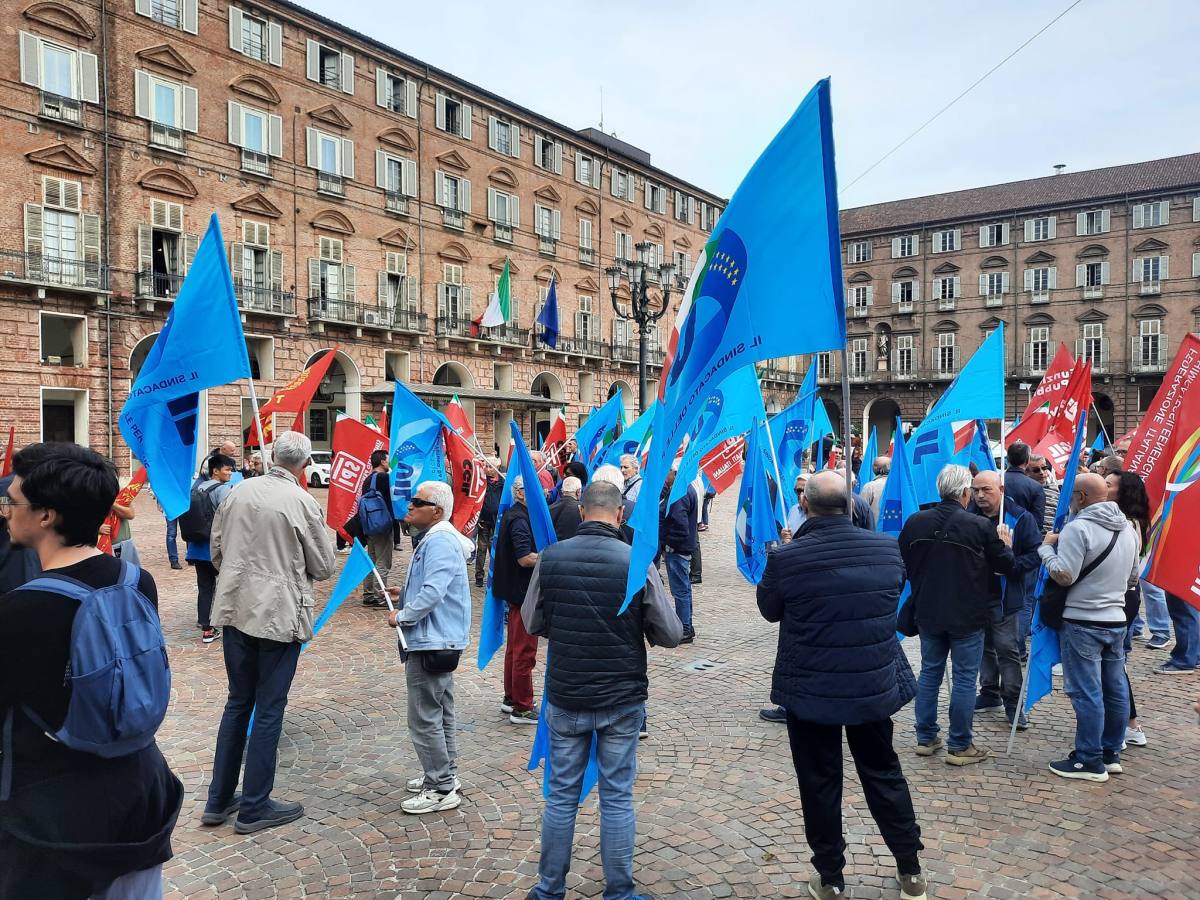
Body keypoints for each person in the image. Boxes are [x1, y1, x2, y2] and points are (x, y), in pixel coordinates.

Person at [0, 443, 182, 898]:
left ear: (46, 516)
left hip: (56, 821)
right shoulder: (136, 580)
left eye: (13, 502)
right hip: (141, 791)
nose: (6, 513)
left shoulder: (22, 609)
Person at [758, 471, 926, 900]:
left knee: (819, 782)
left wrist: (783, 553)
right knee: (884, 773)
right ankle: (910, 869)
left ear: (807, 507)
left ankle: (831, 877)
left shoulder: (787, 557)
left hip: (813, 689)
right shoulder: (888, 551)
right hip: (869, 683)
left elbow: (769, 608)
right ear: (850, 507)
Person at [521, 481, 682, 900]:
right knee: (616, 797)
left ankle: (549, 889)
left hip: (567, 691)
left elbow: (532, 621)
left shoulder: (551, 557)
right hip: (621, 696)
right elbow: (670, 633)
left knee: (560, 798)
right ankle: (620, 892)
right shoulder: (635, 562)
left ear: (582, 511)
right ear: (619, 515)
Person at [202, 431, 337, 832]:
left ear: (272, 456)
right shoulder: (301, 501)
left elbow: (216, 551)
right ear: (304, 463)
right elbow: (325, 564)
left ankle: (219, 798)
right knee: (268, 708)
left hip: (235, 606)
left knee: (237, 702)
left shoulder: (236, 493)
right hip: (277, 615)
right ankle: (255, 805)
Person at [900, 464, 1014, 767]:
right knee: (964, 679)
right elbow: (1005, 564)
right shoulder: (978, 526)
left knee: (930, 673)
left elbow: (905, 561)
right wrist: (1006, 546)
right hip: (967, 615)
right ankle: (960, 744)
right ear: (965, 492)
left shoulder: (915, 522)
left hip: (928, 611)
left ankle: (925, 738)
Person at [1038, 473, 1138, 781]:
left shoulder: (1077, 528)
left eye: (1072, 496)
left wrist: (1045, 550)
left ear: (1080, 497)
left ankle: (1088, 760)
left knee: (1087, 692)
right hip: (1116, 619)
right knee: (1115, 688)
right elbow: (1134, 578)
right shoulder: (1128, 529)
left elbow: (1065, 575)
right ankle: (1110, 753)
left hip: (1082, 620)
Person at [384, 481, 473, 815]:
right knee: (440, 711)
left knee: (424, 717)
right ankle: (444, 774)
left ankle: (440, 787)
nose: (409, 506)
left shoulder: (439, 541)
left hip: (432, 639)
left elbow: (434, 591)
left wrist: (403, 615)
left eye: (416, 502)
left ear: (436, 511)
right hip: (438, 637)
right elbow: (432, 586)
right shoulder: (437, 539)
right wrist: (404, 593)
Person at [968, 471, 1041, 730]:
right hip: (975, 595)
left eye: (985, 490)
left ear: (1000, 488)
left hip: (1004, 596)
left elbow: (1035, 555)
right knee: (983, 647)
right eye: (975, 490)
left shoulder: (1021, 517)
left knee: (1007, 650)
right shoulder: (970, 515)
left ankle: (1013, 704)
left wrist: (1010, 563)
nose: (979, 496)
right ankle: (989, 691)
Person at [1105, 471, 1151, 747]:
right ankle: (1124, 723)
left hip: (1123, 597)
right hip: (1125, 597)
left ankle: (1128, 724)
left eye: (1109, 485)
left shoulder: (1127, 525)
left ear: (1123, 494)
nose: (1104, 487)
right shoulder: (1128, 521)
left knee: (1114, 665)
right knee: (1114, 663)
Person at [493, 476, 540, 723]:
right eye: (535, 488)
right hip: (522, 593)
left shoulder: (516, 515)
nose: (541, 492)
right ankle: (522, 706)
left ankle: (511, 697)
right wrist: (550, 556)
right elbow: (524, 558)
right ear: (521, 493)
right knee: (524, 650)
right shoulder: (519, 518)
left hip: (516, 592)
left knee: (515, 648)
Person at [185, 452, 237, 644]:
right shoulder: (222, 490)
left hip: (196, 547)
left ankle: (206, 627)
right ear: (216, 471)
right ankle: (231, 624)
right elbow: (231, 516)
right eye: (227, 469)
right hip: (216, 548)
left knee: (205, 587)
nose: (230, 473)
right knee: (228, 586)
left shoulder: (197, 487)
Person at [660, 464, 699, 644]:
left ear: (674, 473)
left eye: (667, 471)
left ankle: (684, 628)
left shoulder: (679, 494)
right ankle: (687, 625)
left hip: (677, 549)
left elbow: (680, 526)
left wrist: (667, 541)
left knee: (680, 591)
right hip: (681, 548)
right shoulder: (683, 489)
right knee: (684, 589)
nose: (664, 475)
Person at [360, 450, 395, 609]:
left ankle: (368, 595)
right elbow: (393, 500)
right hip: (383, 525)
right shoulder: (383, 478)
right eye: (388, 460)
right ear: (382, 461)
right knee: (383, 562)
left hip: (370, 525)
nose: (389, 463)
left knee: (371, 560)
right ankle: (380, 597)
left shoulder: (368, 479)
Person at [475, 458, 504, 587]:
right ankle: (479, 576)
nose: (487, 468)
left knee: (496, 549)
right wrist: (477, 518)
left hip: (497, 521)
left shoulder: (503, 482)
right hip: (484, 520)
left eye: (490, 466)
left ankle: (496, 574)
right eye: (486, 466)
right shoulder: (482, 482)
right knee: (481, 549)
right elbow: (476, 501)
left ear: (497, 467)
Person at [1004, 442, 1046, 528]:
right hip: (1023, 537)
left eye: (1044, 468)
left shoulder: (995, 480)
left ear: (1007, 459)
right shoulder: (1035, 487)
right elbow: (1037, 522)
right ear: (1027, 461)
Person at [1027, 455, 1059, 534]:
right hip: (1032, 537)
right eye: (1036, 470)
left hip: (1052, 538)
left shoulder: (1055, 488)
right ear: (1026, 472)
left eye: (1044, 468)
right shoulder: (1025, 490)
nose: (1041, 472)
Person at [549, 476, 583, 541]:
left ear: (562, 491)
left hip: (555, 547)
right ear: (578, 492)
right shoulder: (582, 509)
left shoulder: (550, 508)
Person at [859, 456, 891, 522]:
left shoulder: (869, 486)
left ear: (874, 469)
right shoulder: (899, 486)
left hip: (874, 529)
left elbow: (861, 510)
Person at [780, 473, 809, 541]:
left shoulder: (818, 512)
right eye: (797, 491)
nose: (801, 494)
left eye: (804, 490)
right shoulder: (793, 510)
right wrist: (785, 536)